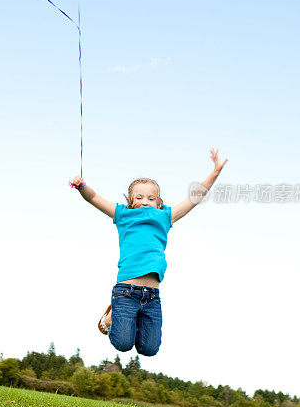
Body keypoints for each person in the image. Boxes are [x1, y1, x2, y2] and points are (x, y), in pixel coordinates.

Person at [70, 148, 227, 356]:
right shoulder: (123, 215)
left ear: (159, 202)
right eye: (139, 197)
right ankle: (110, 317)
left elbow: (194, 198)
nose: (145, 201)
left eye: (151, 198)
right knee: (123, 344)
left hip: (152, 296)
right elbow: (94, 198)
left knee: (149, 349)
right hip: (126, 292)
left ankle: (126, 318)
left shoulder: (165, 217)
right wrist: (82, 187)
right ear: (130, 201)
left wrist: (215, 172)